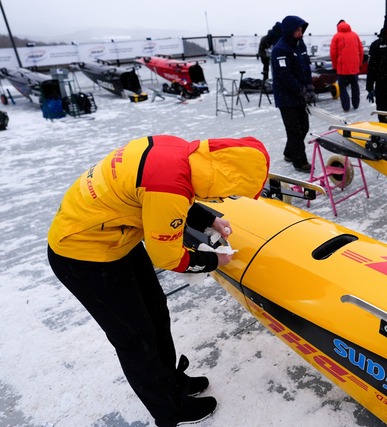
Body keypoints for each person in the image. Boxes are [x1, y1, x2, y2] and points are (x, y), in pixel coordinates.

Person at [47, 135, 270, 427]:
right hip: (83, 255)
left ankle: (172, 382)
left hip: (116, 237)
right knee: (136, 336)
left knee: (154, 311)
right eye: (227, 192)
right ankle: (169, 411)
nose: (222, 197)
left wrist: (207, 220)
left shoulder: (181, 153)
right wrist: (216, 261)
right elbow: (168, 258)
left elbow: (165, 192)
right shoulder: (170, 187)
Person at [271, 15, 315, 173]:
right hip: (286, 98)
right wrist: (301, 90)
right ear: (290, 30)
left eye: (301, 29)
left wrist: (309, 86)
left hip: (299, 95)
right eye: (297, 29)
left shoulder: (300, 44)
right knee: (294, 130)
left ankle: (289, 153)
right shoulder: (280, 49)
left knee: (303, 127)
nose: (301, 32)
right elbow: (285, 76)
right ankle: (300, 161)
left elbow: (306, 67)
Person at [330, 19, 364, 112]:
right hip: (354, 66)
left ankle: (346, 106)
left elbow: (333, 53)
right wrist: (359, 64)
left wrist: (334, 66)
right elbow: (361, 51)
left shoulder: (336, 36)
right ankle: (356, 104)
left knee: (342, 86)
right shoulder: (355, 35)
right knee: (354, 85)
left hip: (342, 68)